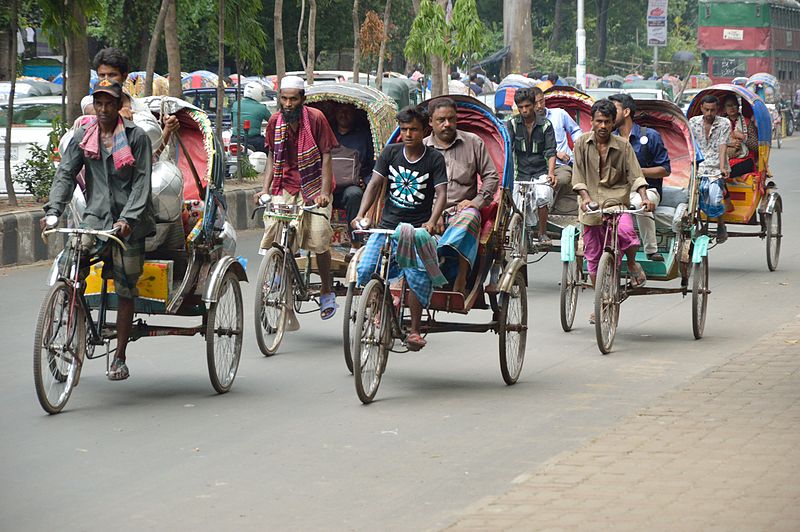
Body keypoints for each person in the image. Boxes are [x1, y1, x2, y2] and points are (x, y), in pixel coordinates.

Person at [41, 80, 155, 381]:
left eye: (110, 104)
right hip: (95, 217)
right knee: (69, 264)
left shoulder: (137, 137)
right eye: (99, 103)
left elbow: (142, 183)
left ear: (119, 106)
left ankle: (119, 357)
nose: (104, 109)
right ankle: (69, 315)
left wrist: (128, 220)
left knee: (125, 286)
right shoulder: (84, 135)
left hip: (129, 222)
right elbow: (65, 174)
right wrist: (53, 209)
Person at [353, 105, 448, 351]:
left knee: (417, 276)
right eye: (404, 129)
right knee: (365, 268)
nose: (408, 134)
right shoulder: (391, 153)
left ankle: (414, 330)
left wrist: (430, 222)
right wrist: (361, 214)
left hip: (416, 230)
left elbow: (441, 194)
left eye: (413, 129)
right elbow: (374, 184)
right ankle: (378, 305)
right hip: (387, 226)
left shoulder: (434, 158)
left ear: (425, 131)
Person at [255, 75, 339, 320]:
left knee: (319, 236)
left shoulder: (316, 119)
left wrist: (324, 193)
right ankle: (280, 266)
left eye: (293, 99)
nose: (288, 103)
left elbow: (326, 156)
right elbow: (271, 157)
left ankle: (326, 290)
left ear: (303, 99)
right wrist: (265, 190)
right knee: (275, 226)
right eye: (284, 99)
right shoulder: (274, 121)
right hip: (285, 183)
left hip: (314, 185)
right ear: (279, 99)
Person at [572, 99, 653, 301]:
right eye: (599, 121)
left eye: (607, 122)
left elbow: (636, 176)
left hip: (616, 203)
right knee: (592, 257)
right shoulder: (581, 143)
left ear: (612, 123)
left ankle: (633, 263)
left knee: (627, 232)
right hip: (589, 205)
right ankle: (600, 302)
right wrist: (585, 198)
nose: (603, 126)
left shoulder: (623, 147)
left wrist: (644, 198)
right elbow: (578, 177)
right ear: (591, 121)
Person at [423, 97, 499, 294]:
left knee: (472, 215)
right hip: (429, 212)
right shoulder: (422, 148)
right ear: (431, 121)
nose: (447, 124)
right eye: (441, 120)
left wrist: (475, 202)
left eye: (451, 119)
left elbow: (491, 177)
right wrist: (434, 213)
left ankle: (460, 275)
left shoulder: (473, 142)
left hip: (461, 212)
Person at [609, 93, 671, 261]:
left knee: (638, 204)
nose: (609, 114)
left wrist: (637, 171)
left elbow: (665, 169)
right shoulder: (609, 138)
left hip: (648, 189)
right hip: (618, 189)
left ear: (627, 112)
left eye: (614, 110)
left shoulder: (650, 136)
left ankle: (651, 250)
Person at [93, 47, 179, 155]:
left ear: (124, 76)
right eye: (102, 75)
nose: (106, 80)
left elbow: (153, 156)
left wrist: (168, 129)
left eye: (112, 75)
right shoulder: (89, 104)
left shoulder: (140, 108)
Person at [507, 87, 557, 246]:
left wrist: (551, 173)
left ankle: (542, 233)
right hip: (519, 172)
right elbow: (508, 150)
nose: (524, 110)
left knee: (543, 195)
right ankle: (522, 230)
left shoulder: (545, 125)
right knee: (514, 203)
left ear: (534, 105)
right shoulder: (512, 124)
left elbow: (550, 151)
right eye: (521, 107)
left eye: (527, 106)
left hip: (540, 171)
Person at [331, 103, 374, 257]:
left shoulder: (363, 136)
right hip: (327, 188)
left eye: (348, 111)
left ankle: (355, 244)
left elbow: (372, 166)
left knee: (354, 194)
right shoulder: (327, 132)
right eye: (341, 110)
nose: (344, 115)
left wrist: (365, 181)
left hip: (350, 188)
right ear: (335, 113)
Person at [689, 94, 732, 243]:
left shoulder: (724, 123)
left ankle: (721, 224)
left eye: (712, 110)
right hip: (698, 166)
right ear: (701, 108)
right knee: (694, 196)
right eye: (706, 110)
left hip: (716, 167)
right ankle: (698, 224)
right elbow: (691, 146)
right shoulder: (693, 122)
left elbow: (722, 145)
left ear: (717, 110)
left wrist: (722, 168)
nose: (709, 114)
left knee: (714, 198)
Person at [544, 94, 583, 210]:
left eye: (541, 101)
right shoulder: (530, 122)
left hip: (561, 165)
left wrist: (577, 143)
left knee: (562, 180)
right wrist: (555, 153)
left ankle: (548, 208)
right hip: (539, 165)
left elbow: (575, 130)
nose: (539, 106)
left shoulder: (559, 114)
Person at [722, 95, 758, 179]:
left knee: (729, 171)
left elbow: (756, 147)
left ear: (738, 107)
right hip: (725, 159)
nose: (732, 108)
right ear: (724, 109)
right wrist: (730, 144)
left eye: (734, 105)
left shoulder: (747, 123)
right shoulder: (721, 124)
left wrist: (742, 137)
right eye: (729, 105)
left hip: (745, 159)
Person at [231, 81, 271, 153]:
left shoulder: (235, 104)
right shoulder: (261, 108)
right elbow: (272, 121)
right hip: (254, 141)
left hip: (235, 139)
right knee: (270, 150)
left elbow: (232, 120)